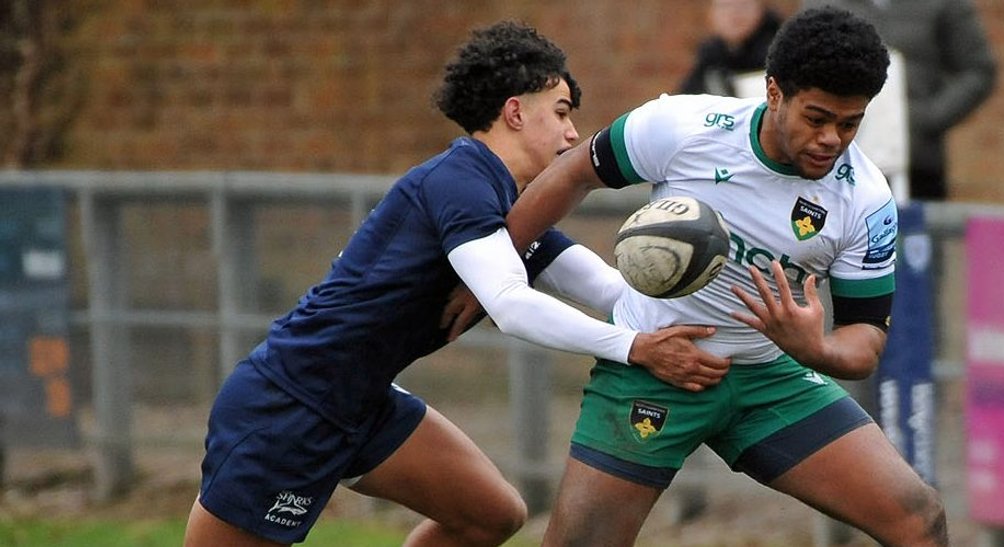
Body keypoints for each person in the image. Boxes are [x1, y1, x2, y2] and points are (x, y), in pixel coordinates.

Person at [182, 22, 729, 547]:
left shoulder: (507, 205)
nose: (572, 134)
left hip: (363, 403)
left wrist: (712, 313)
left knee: (489, 516)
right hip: (291, 404)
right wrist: (635, 347)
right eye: (561, 113)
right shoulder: (461, 180)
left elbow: (607, 290)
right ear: (514, 111)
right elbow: (512, 306)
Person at [501, 7, 947, 546]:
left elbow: (865, 340)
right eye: (817, 117)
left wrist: (815, 349)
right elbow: (575, 174)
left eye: (849, 124)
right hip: (655, 363)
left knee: (919, 519)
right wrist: (496, 267)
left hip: (770, 379)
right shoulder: (681, 127)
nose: (832, 138)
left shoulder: (867, 200)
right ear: (774, 92)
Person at [807, 0, 997, 201]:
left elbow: (978, 69)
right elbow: (800, 67)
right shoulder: (821, 4)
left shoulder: (944, 4)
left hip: (916, 163)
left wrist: (927, 118)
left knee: (913, 229)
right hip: (835, 162)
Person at [677, 0, 784, 96]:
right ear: (711, 13)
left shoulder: (781, 55)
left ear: (760, 8)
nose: (734, 13)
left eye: (743, 5)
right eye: (725, 6)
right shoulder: (710, 58)